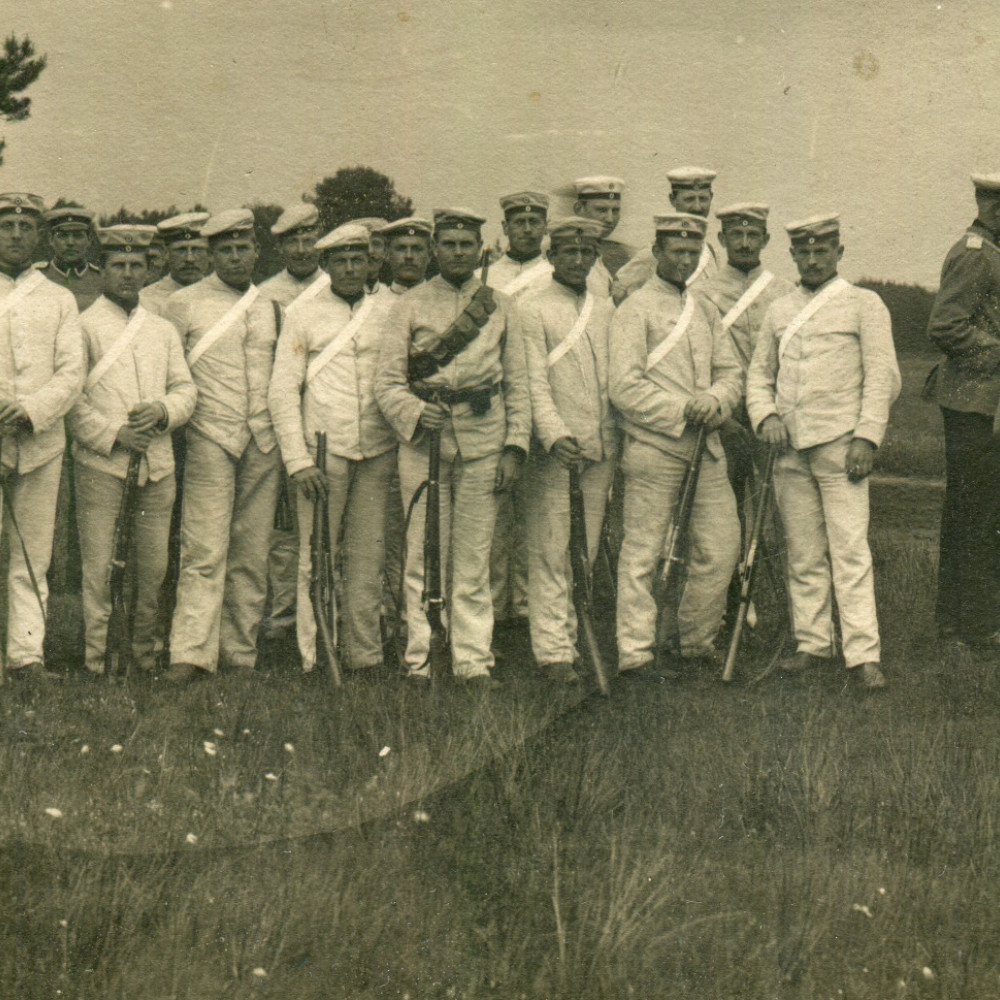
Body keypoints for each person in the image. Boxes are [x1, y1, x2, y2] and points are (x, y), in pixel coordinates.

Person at [374, 207, 531, 686]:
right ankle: (419, 658)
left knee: (474, 556)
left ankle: (472, 659)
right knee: (423, 554)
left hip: (484, 442)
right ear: (435, 250)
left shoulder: (501, 306)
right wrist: (419, 413)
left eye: (467, 245)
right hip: (425, 446)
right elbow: (386, 384)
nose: (458, 253)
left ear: (479, 250)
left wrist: (514, 448)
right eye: (449, 245)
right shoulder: (410, 305)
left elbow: (519, 384)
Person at [746, 213, 900, 690]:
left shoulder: (863, 304)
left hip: (841, 446)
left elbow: (883, 377)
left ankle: (862, 655)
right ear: (792, 255)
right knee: (804, 552)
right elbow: (758, 376)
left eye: (822, 251)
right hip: (789, 447)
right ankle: (812, 642)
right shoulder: (778, 309)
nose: (813, 260)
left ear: (838, 253)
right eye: (804, 252)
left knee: (850, 551)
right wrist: (766, 416)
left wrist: (866, 437)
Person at [610, 212, 742, 677]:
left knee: (722, 546)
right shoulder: (635, 310)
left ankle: (694, 641)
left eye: (692, 252)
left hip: (706, 451)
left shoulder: (705, 310)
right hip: (654, 448)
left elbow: (730, 373)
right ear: (657, 252)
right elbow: (624, 388)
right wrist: (684, 409)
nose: (685, 260)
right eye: (676, 251)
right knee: (643, 551)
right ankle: (636, 651)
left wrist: (715, 399)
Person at [269, 222, 397, 675]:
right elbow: (282, 391)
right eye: (339, 260)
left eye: (357, 259)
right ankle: (315, 654)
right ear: (325, 265)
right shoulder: (303, 314)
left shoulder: (391, 309)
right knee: (313, 556)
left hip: (378, 451)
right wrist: (298, 461)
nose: (349, 268)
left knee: (368, 558)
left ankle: (364, 655)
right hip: (322, 455)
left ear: (369, 262)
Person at [162, 209, 282, 682]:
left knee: (252, 552)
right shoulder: (185, 304)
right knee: (204, 549)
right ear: (212, 254)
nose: (235, 257)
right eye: (225, 249)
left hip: (262, 439)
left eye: (242, 248)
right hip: (209, 435)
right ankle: (190, 653)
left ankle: (239, 653)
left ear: (256, 250)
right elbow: (169, 373)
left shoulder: (270, 305)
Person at [70, 226, 196, 675]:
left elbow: (185, 388)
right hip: (101, 465)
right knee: (101, 567)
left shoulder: (161, 329)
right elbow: (72, 399)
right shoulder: (82, 326)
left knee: (153, 569)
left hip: (158, 466)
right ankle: (98, 659)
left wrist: (163, 411)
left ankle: (143, 656)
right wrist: (113, 434)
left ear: (148, 268)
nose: (127, 274)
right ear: (102, 269)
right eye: (118, 266)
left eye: (136, 265)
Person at [521, 217, 618, 683]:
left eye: (586, 253)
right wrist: (555, 434)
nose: (578, 261)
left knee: (586, 550)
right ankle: (552, 651)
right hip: (556, 450)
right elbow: (532, 383)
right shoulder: (532, 310)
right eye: (568, 253)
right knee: (552, 551)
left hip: (600, 447)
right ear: (550, 257)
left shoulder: (606, 308)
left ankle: (577, 639)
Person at [696, 203, 795, 625]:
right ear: (721, 239)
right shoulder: (702, 293)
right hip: (728, 417)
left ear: (766, 240)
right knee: (728, 512)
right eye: (735, 235)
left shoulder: (785, 290)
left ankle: (792, 607)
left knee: (781, 509)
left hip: (772, 414)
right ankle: (733, 602)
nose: (744, 242)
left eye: (753, 235)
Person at [0, 192, 84, 682]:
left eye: (25, 227)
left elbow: (72, 373)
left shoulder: (59, 297)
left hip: (40, 442)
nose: (15, 235)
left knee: (32, 553)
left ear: (40, 236)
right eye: (6, 226)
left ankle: (26, 657)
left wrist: (31, 411)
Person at [927, 174, 1000, 646]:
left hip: (982, 402)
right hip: (972, 403)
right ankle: (973, 627)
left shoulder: (990, 253)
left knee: (975, 512)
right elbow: (945, 327)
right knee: (975, 514)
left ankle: (959, 623)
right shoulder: (975, 255)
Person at [258, 204, 329, 635]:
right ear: (281, 245)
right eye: (293, 241)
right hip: (280, 420)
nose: (303, 249)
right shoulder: (265, 294)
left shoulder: (337, 285)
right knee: (283, 526)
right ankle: (283, 614)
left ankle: (324, 612)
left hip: (327, 419)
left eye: (309, 239)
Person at [482, 191, 552, 627]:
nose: (527, 229)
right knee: (494, 517)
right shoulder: (485, 275)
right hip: (498, 405)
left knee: (537, 517)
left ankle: (528, 608)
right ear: (505, 228)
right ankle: (493, 607)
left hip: (545, 405)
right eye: (518, 222)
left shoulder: (557, 271)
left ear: (545, 227)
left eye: (534, 222)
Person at [613, 167, 718, 303]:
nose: (697, 207)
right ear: (673, 200)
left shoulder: (711, 253)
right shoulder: (657, 252)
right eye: (689, 199)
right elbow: (619, 292)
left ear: (711, 198)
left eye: (703, 199)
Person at [571, 176, 634, 297]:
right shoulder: (566, 254)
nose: (610, 219)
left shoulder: (607, 255)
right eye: (601, 210)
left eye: (615, 211)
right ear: (579, 209)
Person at [140, 212, 212, 318]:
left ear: (209, 254)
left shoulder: (220, 295)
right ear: (166, 254)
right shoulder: (146, 300)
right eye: (181, 250)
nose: (189, 259)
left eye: (196, 249)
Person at [37, 207, 103, 313]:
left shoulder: (102, 279)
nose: (70, 243)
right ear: (51, 239)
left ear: (89, 239)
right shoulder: (36, 277)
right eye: (63, 236)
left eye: (78, 236)